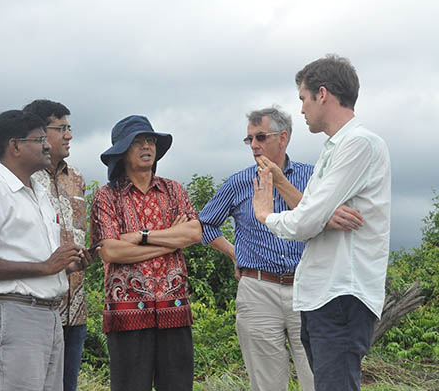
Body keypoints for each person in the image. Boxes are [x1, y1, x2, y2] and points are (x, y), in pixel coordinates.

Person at [253, 55, 391, 391]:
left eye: (303, 98)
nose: (301, 110)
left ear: (323, 94)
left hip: (341, 294)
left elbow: (305, 221)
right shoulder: (334, 148)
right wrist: (322, 216)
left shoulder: (358, 143)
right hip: (322, 295)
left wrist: (265, 215)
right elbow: (314, 213)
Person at [0, 110, 93, 391]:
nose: (47, 145)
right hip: (12, 314)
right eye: (39, 139)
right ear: (15, 146)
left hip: (49, 315)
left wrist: (69, 264)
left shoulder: (39, 194)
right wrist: (46, 267)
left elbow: (39, 259)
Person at [199, 106, 316, 391]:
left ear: (283, 137)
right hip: (258, 289)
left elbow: (318, 219)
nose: (254, 145)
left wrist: (279, 180)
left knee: (319, 378)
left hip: (309, 287)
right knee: (266, 385)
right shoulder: (239, 182)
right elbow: (205, 224)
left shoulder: (313, 177)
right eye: (249, 139)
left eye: (260, 137)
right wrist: (233, 252)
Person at [89, 115, 202, 391]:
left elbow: (194, 233)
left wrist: (142, 237)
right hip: (126, 315)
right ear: (122, 151)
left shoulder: (174, 190)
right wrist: (171, 242)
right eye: (137, 142)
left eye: (150, 140)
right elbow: (110, 251)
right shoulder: (107, 197)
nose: (146, 146)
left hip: (174, 309)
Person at [22, 99, 87, 391]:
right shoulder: (22, 179)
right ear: (37, 132)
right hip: (35, 309)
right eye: (61, 128)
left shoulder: (76, 179)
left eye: (69, 128)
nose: (68, 135)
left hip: (76, 311)